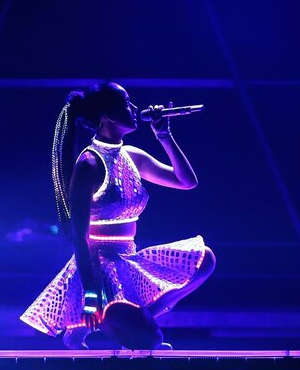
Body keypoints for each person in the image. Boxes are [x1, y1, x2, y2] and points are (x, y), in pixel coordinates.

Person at [20, 82, 216, 349]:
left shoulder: (132, 156)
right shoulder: (89, 164)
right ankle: (87, 324)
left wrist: (164, 136)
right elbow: (79, 236)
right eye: (127, 103)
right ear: (108, 115)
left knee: (204, 260)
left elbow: (186, 181)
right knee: (150, 341)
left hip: (129, 258)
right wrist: (90, 294)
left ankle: (134, 317)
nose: (135, 108)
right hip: (98, 267)